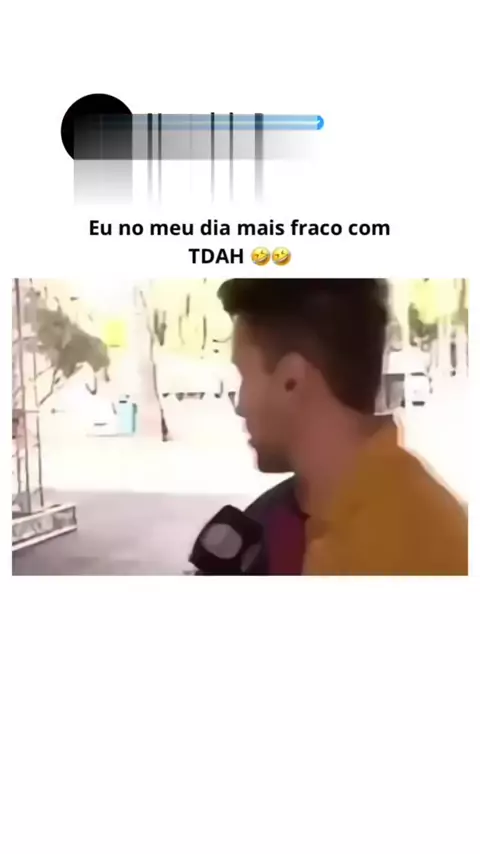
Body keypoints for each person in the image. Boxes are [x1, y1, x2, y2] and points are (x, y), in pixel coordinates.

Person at [218, 278, 468, 576]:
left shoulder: (392, 549)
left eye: (244, 375)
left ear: (291, 381)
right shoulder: (297, 515)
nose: (240, 405)